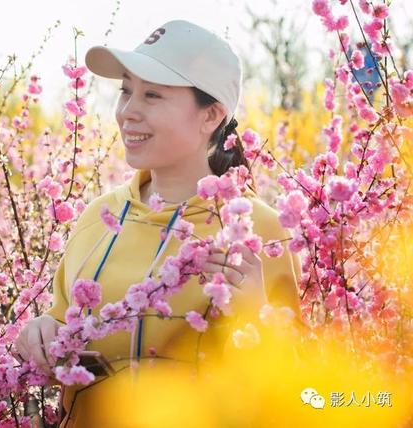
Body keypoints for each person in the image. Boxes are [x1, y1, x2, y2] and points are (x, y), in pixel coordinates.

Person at [15, 19, 303, 427]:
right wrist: (41, 333)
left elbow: (294, 390)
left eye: (152, 95)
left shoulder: (260, 230)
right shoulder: (99, 218)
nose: (129, 112)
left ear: (211, 116)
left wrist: (257, 318)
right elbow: (61, 329)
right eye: (126, 91)